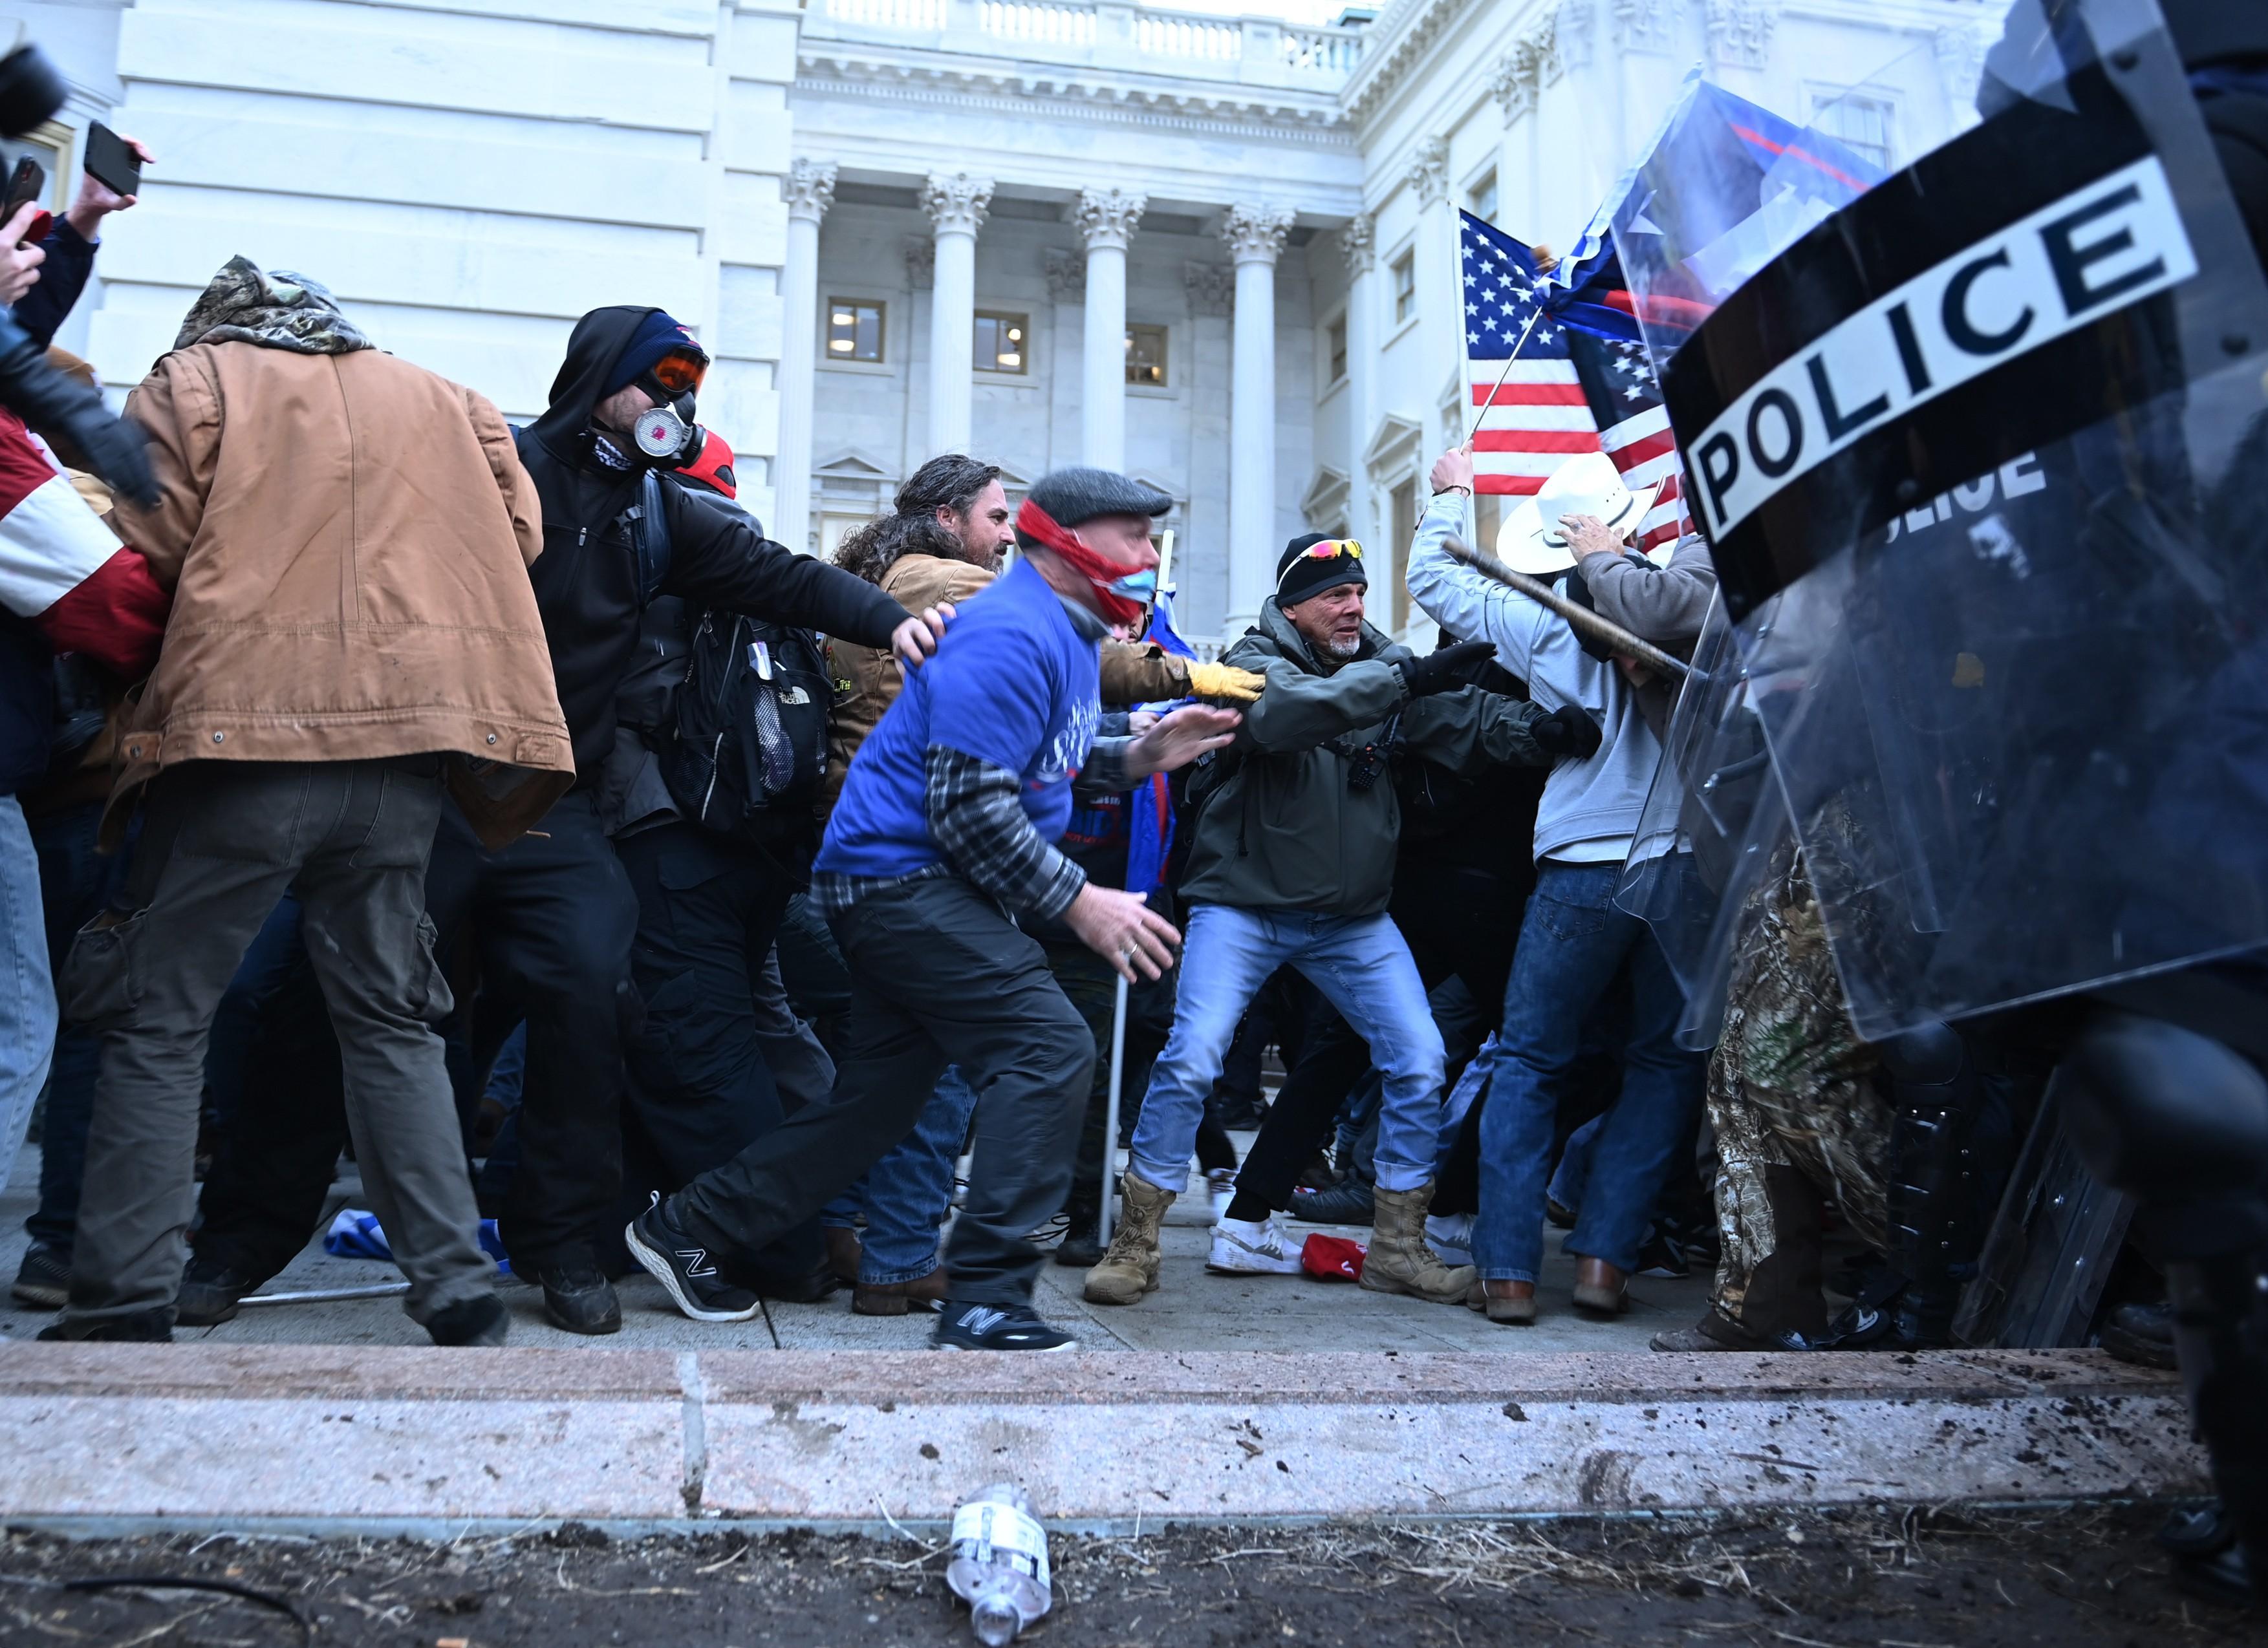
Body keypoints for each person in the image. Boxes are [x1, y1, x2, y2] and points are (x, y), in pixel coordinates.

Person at [43, 257, 574, 1344]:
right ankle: (455, 1284)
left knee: (157, 1015)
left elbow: (142, 543)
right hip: (404, 756)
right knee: (394, 1022)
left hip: (240, 744)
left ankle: (123, 1292)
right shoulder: (448, 399)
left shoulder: (195, 382)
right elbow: (515, 540)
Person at [409, 304, 945, 1336]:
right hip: (435, 787)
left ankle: (564, 1249)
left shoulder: (660, 512)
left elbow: (783, 578)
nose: (675, 403)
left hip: (552, 802)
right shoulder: (497, 472)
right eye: (657, 381)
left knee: (588, 999)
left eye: (688, 386)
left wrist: (895, 619)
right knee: (391, 1013)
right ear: (598, 378)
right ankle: (259, 1237)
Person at [627, 466, 1238, 1351]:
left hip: (907, 884)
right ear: (1063, 541)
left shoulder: (1062, 639)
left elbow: (1027, 778)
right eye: (1131, 536)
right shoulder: (1006, 631)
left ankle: (686, 1225)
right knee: (1049, 1045)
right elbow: (967, 806)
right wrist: (1082, 903)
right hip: (902, 883)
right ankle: (986, 1296)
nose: (1149, 556)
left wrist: (1133, 763)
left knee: (873, 1108)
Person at [1084, 531, 1592, 1311]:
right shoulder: (1249, 661)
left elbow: (1462, 717)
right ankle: (1136, 1242)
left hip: (1350, 920)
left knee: (1420, 1058)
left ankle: (1396, 1247)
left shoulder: (1380, 664)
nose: (1353, 605)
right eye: (1334, 595)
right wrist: (1401, 678)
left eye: (1358, 592)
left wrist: (1542, 733)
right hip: (1243, 906)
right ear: (1293, 606)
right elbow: (1291, 715)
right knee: (1192, 1058)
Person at [1406, 446, 1707, 1325]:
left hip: (1579, 860)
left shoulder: (1538, 622)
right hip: (1678, 860)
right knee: (1660, 1062)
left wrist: (1450, 494)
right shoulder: (1677, 602)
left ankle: (1505, 1272)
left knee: (1532, 1059)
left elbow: (1432, 576)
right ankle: (1603, 1264)